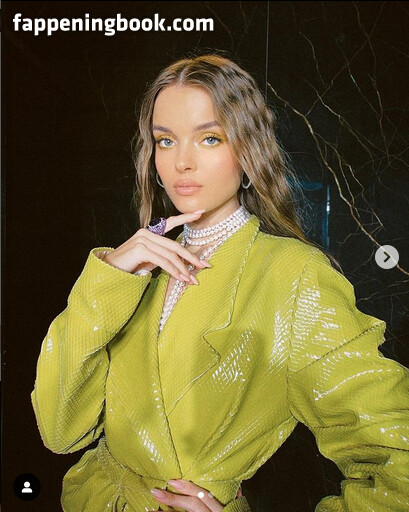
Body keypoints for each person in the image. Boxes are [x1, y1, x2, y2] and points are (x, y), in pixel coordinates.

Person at [31, 53, 409, 512]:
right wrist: (108, 276)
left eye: (209, 138)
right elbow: (60, 431)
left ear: (249, 152)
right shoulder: (132, 269)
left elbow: (398, 463)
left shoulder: (293, 276)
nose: (182, 162)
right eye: (165, 141)